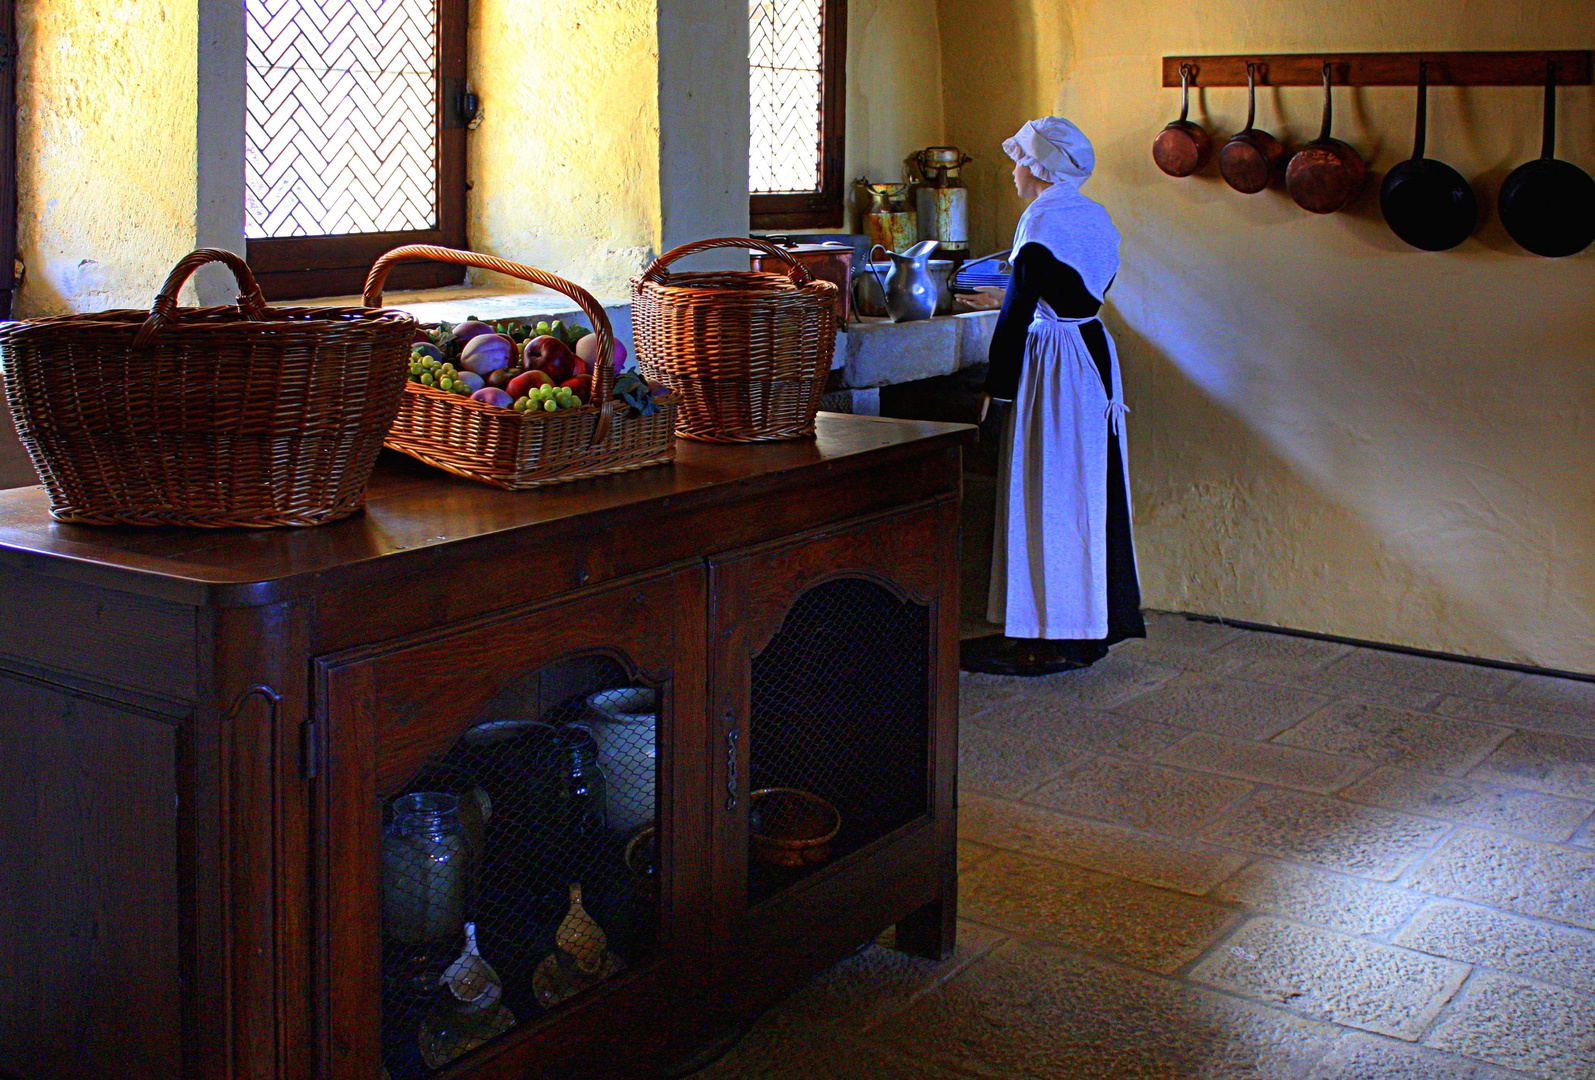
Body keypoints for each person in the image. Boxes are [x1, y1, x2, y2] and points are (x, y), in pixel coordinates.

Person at [960, 116, 1145, 676]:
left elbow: (1017, 313)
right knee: (1086, 486)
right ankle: (1082, 625)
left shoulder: (1040, 218)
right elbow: (1081, 288)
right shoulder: (1091, 214)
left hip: (1057, 364)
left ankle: (1052, 632)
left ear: (1038, 169)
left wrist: (996, 385)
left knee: (1052, 487)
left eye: (1019, 160)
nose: (1013, 170)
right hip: (1092, 349)